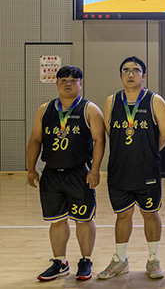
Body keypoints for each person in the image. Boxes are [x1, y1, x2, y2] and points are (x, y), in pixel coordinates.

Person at [26, 66, 105, 281]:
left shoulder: (90, 109)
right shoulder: (45, 110)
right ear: (56, 83)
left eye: (73, 80)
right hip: (52, 175)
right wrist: (31, 169)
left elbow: (99, 140)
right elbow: (35, 139)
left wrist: (95, 170)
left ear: (80, 83)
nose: (67, 84)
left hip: (79, 173)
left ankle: (85, 260)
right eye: (63, 80)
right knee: (57, 221)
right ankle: (59, 262)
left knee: (83, 219)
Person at [98, 57, 165, 280]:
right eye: (126, 70)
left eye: (136, 70)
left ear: (144, 75)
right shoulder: (111, 101)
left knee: (150, 213)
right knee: (122, 215)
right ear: (120, 75)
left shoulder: (155, 101)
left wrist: (147, 151)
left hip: (147, 170)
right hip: (119, 169)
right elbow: (111, 132)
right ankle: (120, 260)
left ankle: (153, 259)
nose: (130, 74)